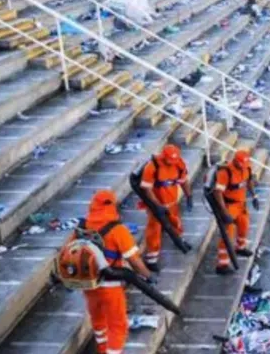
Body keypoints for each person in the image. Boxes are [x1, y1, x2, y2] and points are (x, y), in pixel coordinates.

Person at [78, 189, 153, 354]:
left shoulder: (83, 226)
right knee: (118, 325)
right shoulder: (117, 230)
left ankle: (102, 349)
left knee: (99, 322)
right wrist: (148, 276)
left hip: (89, 284)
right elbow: (134, 261)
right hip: (110, 285)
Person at [138, 144, 191, 272]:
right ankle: (152, 258)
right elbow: (147, 189)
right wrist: (157, 205)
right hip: (155, 203)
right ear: (163, 156)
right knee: (154, 229)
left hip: (172, 202)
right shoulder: (152, 167)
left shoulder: (179, 164)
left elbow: (183, 181)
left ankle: (178, 239)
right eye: (169, 161)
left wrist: (189, 196)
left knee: (175, 221)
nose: (171, 163)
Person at [211, 149, 256, 274]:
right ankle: (222, 264)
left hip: (241, 204)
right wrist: (224, 212)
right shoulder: (225, 172)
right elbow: (217, 192)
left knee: (244, 226)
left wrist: (254, 196)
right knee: (228, 233)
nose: (243, 167)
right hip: (229, 205)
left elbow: (249, 181)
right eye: (241, 164)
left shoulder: (247, 168)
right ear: (235, 161)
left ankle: (240, 247)